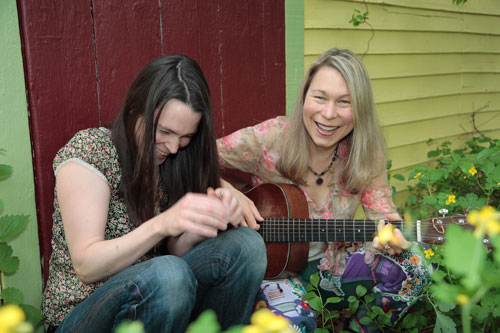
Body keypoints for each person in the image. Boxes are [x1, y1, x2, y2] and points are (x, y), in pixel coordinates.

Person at [41, 55, 267, 333]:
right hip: (84, 316)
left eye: (186, 137)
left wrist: (204, 220)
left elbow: (177, 251)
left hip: (161, 302)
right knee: (168, 273)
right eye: (164, 131)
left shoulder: (173, 161)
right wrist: (163, 223)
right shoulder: (91, 151)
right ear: (137, 109)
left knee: (246, 245)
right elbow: (87, 266)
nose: (173, 146)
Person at [218, 48, 432, 332]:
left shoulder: (366, 153)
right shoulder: (272, 138)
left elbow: (384, 215)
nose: (328, 114)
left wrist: (391, 237)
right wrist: (225, 189)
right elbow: (194, 158)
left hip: (336, 270)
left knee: (414, 267)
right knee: (291, 326)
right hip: (274, 272)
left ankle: (358, 328)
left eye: (344, 102)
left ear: (360, 109)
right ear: (305, 96)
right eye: (319, 97)